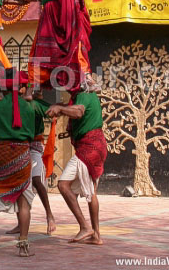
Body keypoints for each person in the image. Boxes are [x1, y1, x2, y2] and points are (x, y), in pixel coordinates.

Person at [0, 69, 36, 257]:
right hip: (22, 155)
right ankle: (23, 245)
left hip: (0, 153)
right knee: (24, 200)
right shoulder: (31, 107)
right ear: (21, 87)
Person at [47, 91, 107, 245]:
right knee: (91, 191)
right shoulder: (87, 95)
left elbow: (78, 111)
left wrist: (60, 110)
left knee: (63, 184)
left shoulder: (83, 95)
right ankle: (96, 235)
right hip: (97, 146)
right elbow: (73, 108)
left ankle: (85, 226)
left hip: (89, 148)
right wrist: (59, 107)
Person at [6, 90, 56, 236]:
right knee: (18, 184)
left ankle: (49, 215)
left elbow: (50, 111)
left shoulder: (34, 104)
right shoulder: (12, 104)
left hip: (34, 146)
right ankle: (20, 223)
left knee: (36, 180)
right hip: (19, 146)